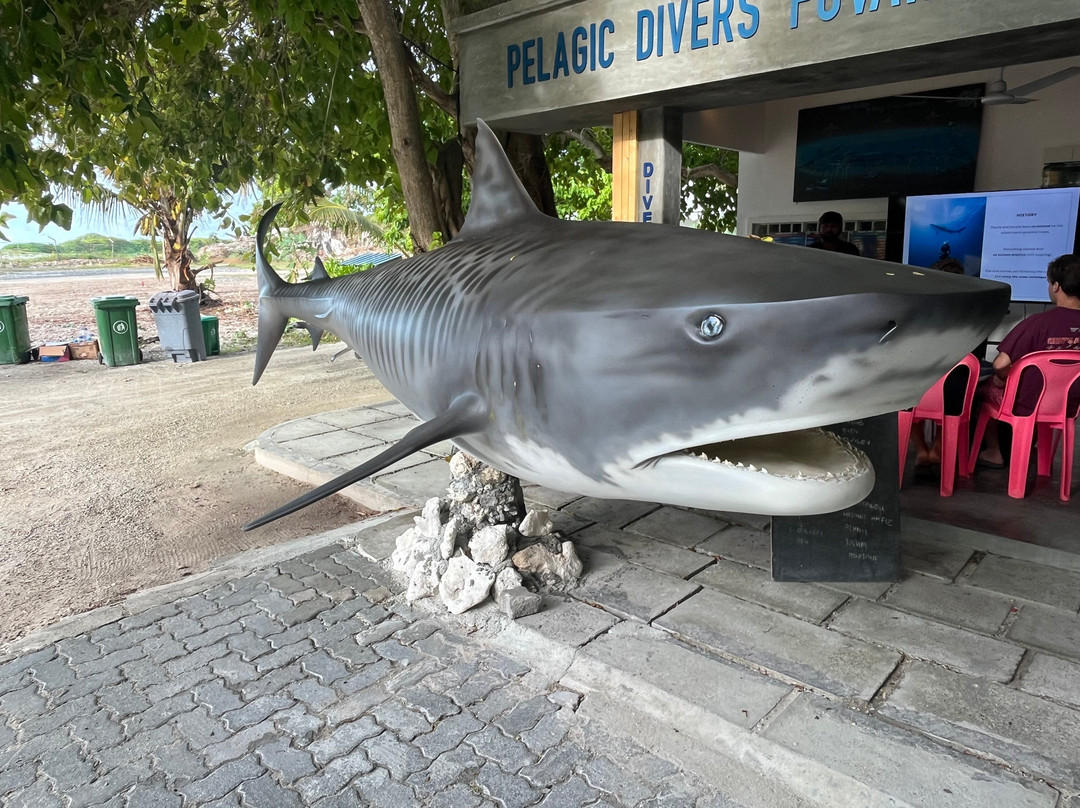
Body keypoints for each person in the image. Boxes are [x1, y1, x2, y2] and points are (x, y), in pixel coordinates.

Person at [975, 253, 1080, 468]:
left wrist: (1003, 379)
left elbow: (1000, 364)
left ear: (1057, 286)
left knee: (984, 389)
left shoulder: (1038, 323)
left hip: (1026, 404)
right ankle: (1030, 448)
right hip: (1068, 406)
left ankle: (994, 451)